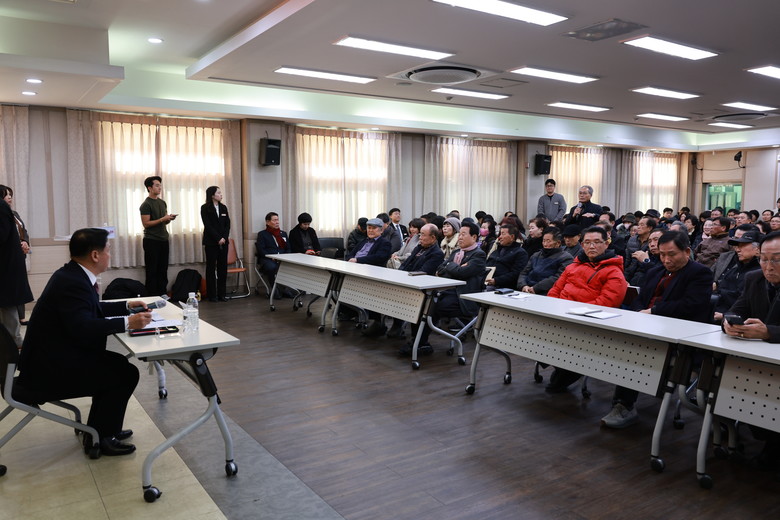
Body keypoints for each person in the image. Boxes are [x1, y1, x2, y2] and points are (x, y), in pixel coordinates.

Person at [17, 228, 153, 456]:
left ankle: (100, 430)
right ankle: (103, 437)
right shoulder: (73, 282)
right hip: (48, 372)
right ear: (95, 255)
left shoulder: (72, 275)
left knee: (118, 365)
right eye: (108, 250)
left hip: (52, 358)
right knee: (124, 374)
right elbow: (82, 326)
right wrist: (128, 323)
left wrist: (126, 306)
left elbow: (91, 309)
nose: (110, 255)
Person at [601, 231, 713, 429]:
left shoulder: (700, 273)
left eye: (672, 254)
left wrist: (653, 312)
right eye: (662, 254)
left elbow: (691, 305)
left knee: (633, 351)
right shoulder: (655, 271)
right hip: (644, 327)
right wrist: (638, 313)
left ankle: (623, 405)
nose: (666, 260)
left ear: (687, 251)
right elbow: (640, 300)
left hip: (677, 334)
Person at [544, 226, 628, 393]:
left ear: (607, 244)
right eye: (587, 243)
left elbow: (606, 304)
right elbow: (555, 290)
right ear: (582, 245)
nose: (591, 246)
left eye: (597, 242)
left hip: (586, 324)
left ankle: (570, 369)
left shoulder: (614, 272)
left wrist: (573, 314)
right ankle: (565, 368)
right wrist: (553, 309)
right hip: (561, 317)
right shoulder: (573, 266)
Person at [723, 231, 780, 473]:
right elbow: (736, 310)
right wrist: (728, 323)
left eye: (776, 259)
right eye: (764, 259)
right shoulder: (754, 278)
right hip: (754, 361)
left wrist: (769, 332)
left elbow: (769, 330)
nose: (768, 266)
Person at [399, 222, 486, 356]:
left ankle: (419, 343)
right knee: (421, 303)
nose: (460, 237)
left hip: (463, 298)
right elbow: (440, 270)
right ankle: (420, 342)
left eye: (463, 234)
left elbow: (462, 273)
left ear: (474, 237)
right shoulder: (456, 252)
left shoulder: (479, 255)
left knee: (431, 307)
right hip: (447, 292)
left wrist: (451, 267)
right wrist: (455, 268)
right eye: (459, 234)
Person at [386, 224, 445, 339]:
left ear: (433, 238)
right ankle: (395, 323)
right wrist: (399, 274)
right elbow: (406, 264)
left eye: (423, 235)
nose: (420, 238)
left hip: (421, 287)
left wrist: (406, 276)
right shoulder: (419, 248)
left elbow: (424, 272)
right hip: (407, 280)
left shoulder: (436, 253)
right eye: (420, 235)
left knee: (399, 295)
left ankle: (402, 327)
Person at [0, 185, 33, 347]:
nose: (10, 198)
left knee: (8, 303)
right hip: (8, 261)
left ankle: (14, 341)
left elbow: (4, 235)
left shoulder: (2, 208)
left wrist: (24, 242)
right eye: (6, 195)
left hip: (6, 263)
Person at [712, 229, 761, 322]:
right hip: (719, 313)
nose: (738, 249)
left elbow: (745, 302)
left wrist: (724, 315)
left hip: (737, 320)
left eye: (743, 246)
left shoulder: (759, 274)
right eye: (738, 246)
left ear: (757, 249)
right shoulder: (735, 269)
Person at [139, 176, 176, 295]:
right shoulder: (146, 204)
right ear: (149, 188)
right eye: (157, 185)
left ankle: (162, 293)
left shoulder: (162, 202)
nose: (160, 187)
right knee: (152, 270)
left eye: (160, 185)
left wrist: (168, 219)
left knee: (163, 268)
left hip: (163, 239)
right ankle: (152, 295)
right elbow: (146, 224)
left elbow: (164, 221)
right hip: (151, 240)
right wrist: (162, 219)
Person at [517, 227, 573, 295]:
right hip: (527, 290)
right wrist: (523, 285)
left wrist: (535, 288)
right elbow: (524, 272)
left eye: (548, 241)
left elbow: (558, 278)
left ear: (558, 243)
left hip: (546, 292)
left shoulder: (566, 258)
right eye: (544, 241)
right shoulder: (536, 255)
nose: (545, 244)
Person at [200, 186, 231, 302]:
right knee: (211, 268)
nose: (221, 195)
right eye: (218, 193)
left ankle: (222, 294)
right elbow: (207, 225)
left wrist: (224, 238)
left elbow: (227, 224)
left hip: (224, 242)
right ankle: (212, 295)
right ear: (212, 195)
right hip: (211, 242)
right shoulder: (205, 208)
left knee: (223, 268)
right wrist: (218, 238)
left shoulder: (223, 207)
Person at [485, 224, 528, 290]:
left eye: (503, 234)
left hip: (503, 287)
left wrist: (496, 280)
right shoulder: (496, 251)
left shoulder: (520, 253)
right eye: (500, 234)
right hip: (487, 282)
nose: (500, 237)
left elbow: (516, 274)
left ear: (512, 237)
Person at [256, 211, 290, 287]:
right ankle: (275, 289)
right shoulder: (262, 234)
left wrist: (285, 256)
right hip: (268, 259)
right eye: (274, 220)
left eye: (278, 220)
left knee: (293, 267)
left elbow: (288, 248)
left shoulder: (283, 234)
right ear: (268, 222)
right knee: (272, 267)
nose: (277, 222)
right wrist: (271, 257)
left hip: (283, 258)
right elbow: (261, 249)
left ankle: (286, 288)